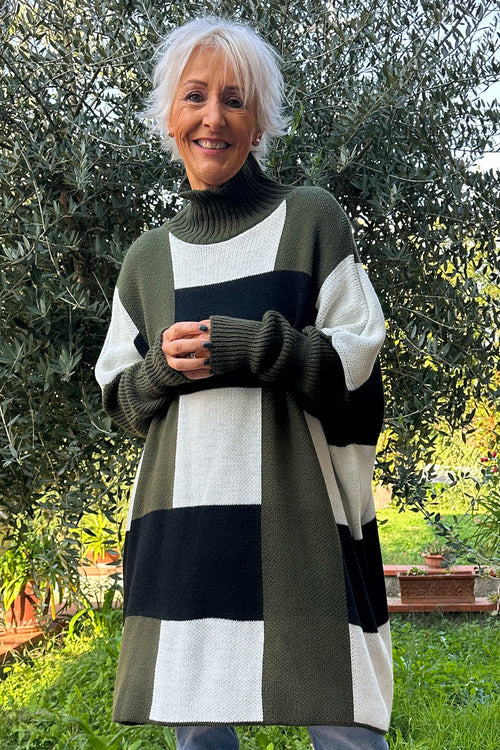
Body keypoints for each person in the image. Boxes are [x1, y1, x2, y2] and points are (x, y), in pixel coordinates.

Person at [95, 16, 392, 750]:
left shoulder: (309, 219)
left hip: (300, 520)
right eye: (195, 96)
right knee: (199, 730)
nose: (213, 117)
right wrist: (161, 369)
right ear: (169, 116)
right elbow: (120, 397)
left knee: (343, 716)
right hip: (186, 524)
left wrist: (252, 345)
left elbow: (355, 363)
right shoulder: (147, 261)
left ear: (259, 123)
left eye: (235, 99)